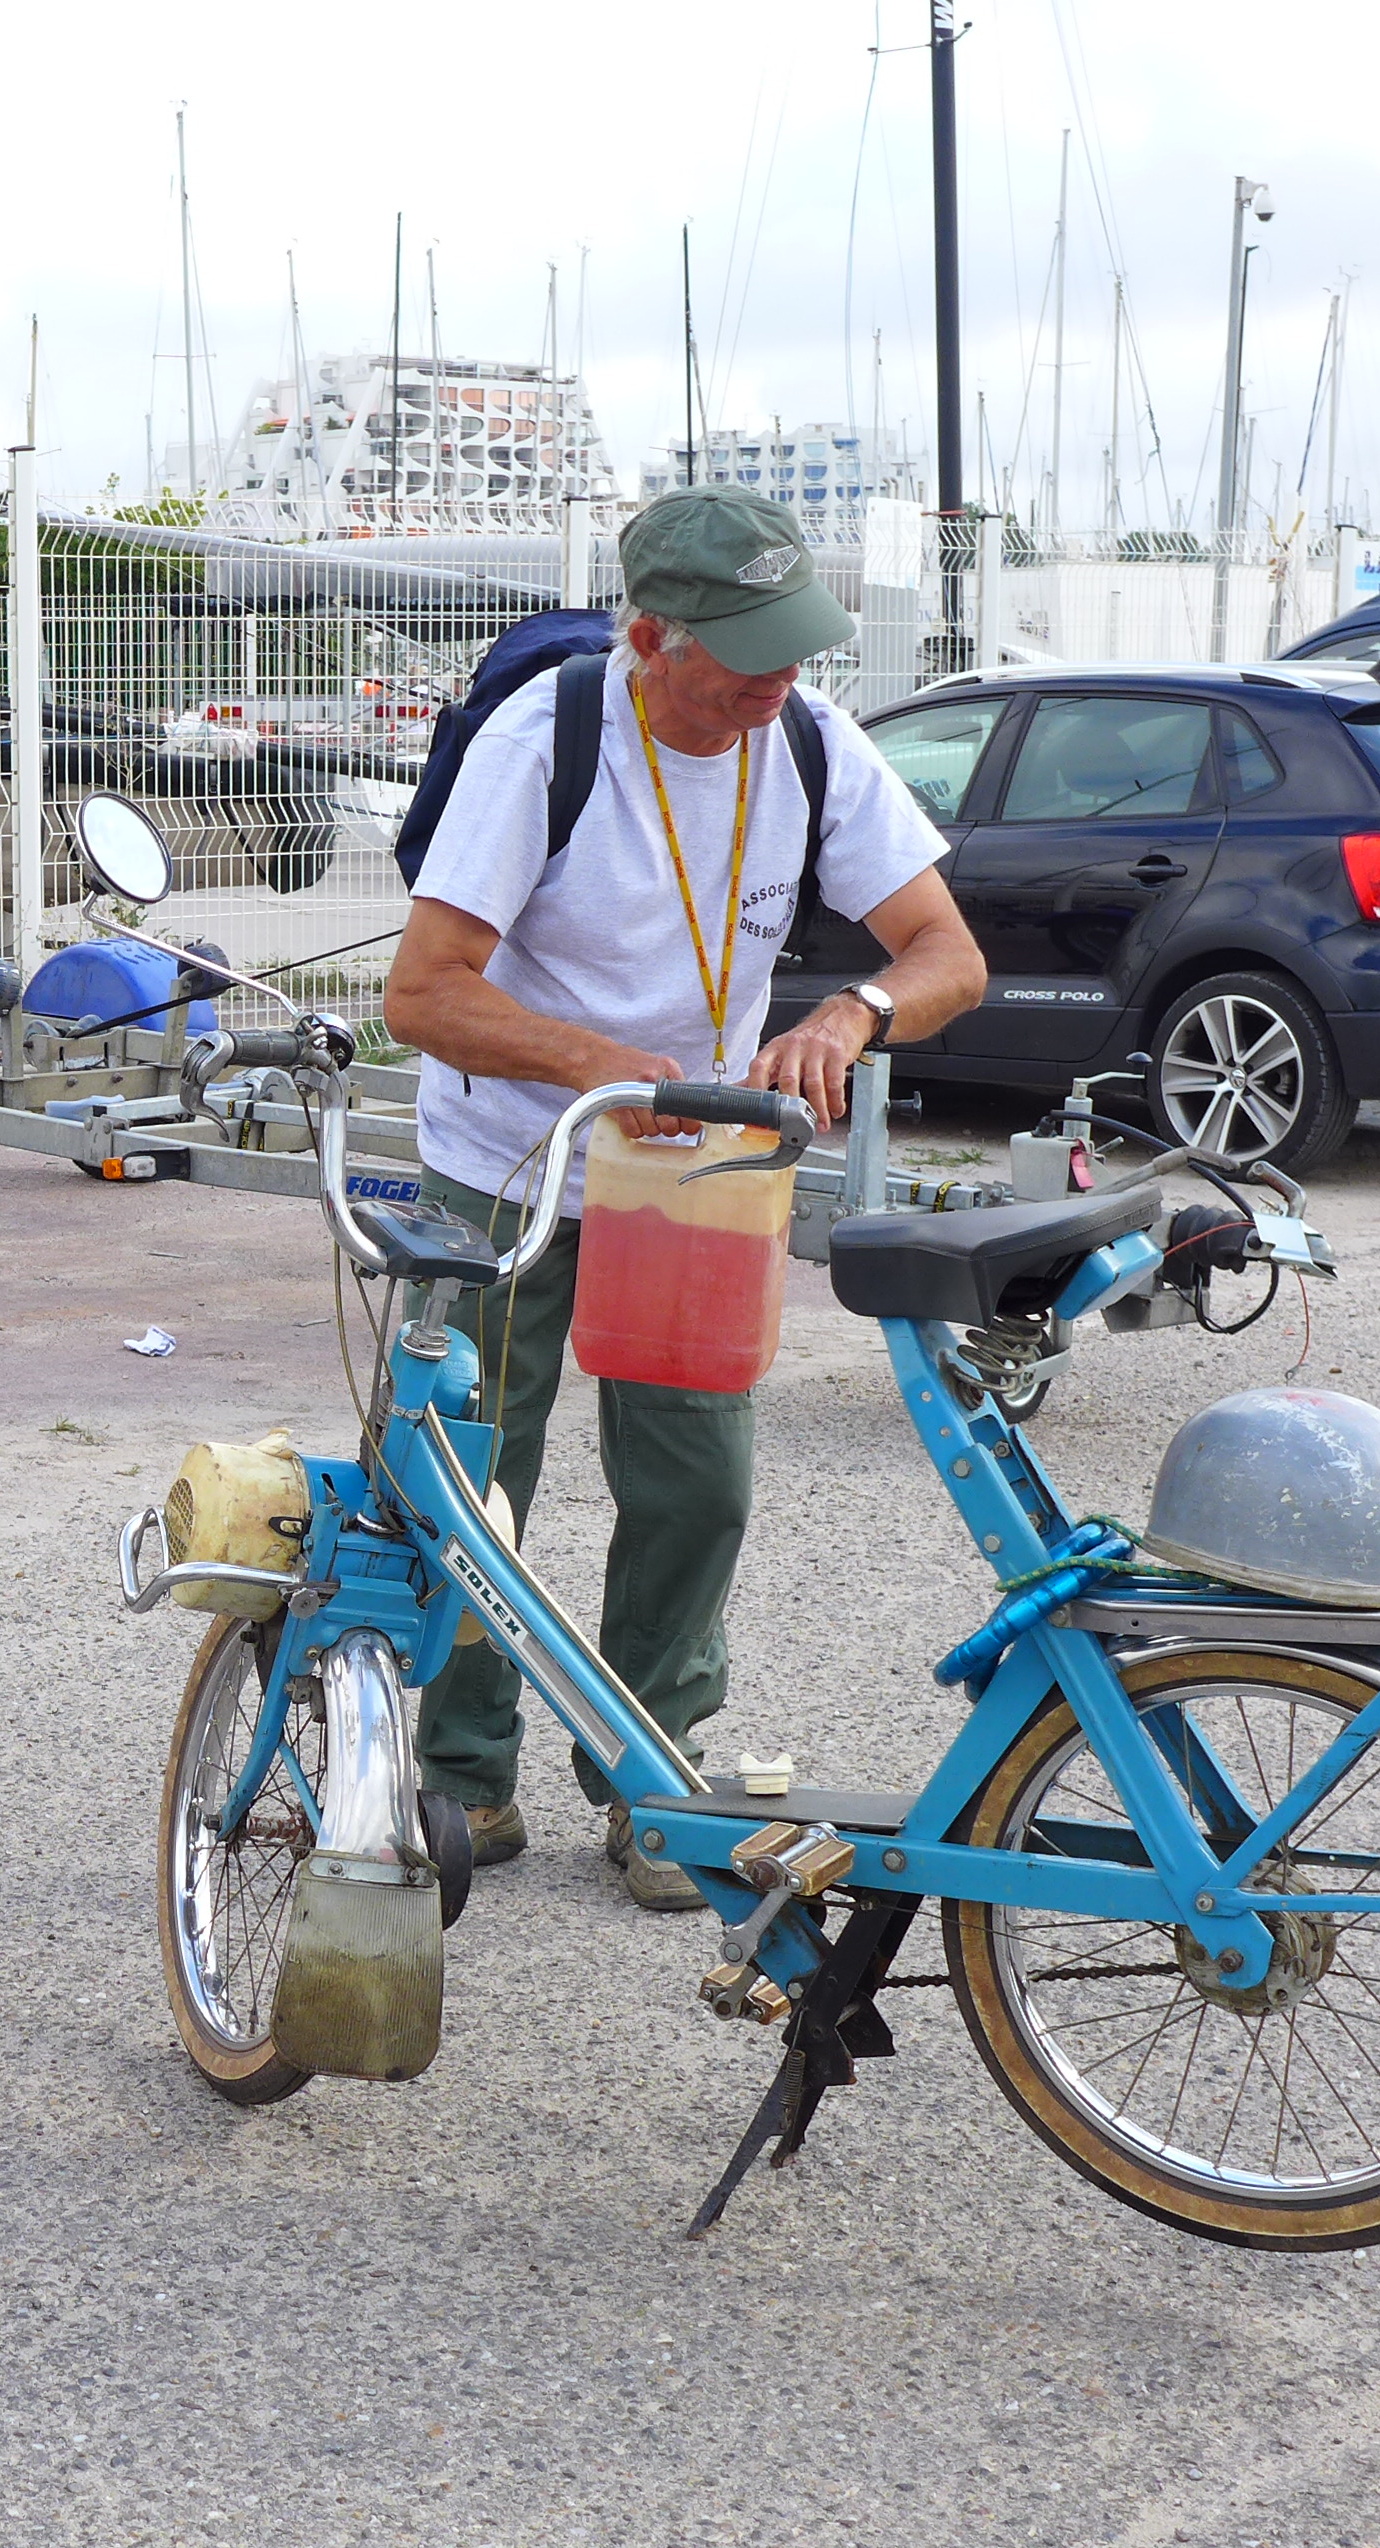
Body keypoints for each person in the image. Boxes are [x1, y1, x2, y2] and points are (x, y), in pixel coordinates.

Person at [380, 486, 986, 1907]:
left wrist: (852, 1017)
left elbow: (947, 953)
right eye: (750, 653)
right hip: (513, 1164)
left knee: (695, 1481)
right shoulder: (545, 744)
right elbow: (423, 993)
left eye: (796, 647)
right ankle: (465, 1775)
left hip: (692, 1169)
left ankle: (648, 1772)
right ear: (649, 637)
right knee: (479, 1483)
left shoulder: (813, 744)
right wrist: (602, 1066)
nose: (783, 681)